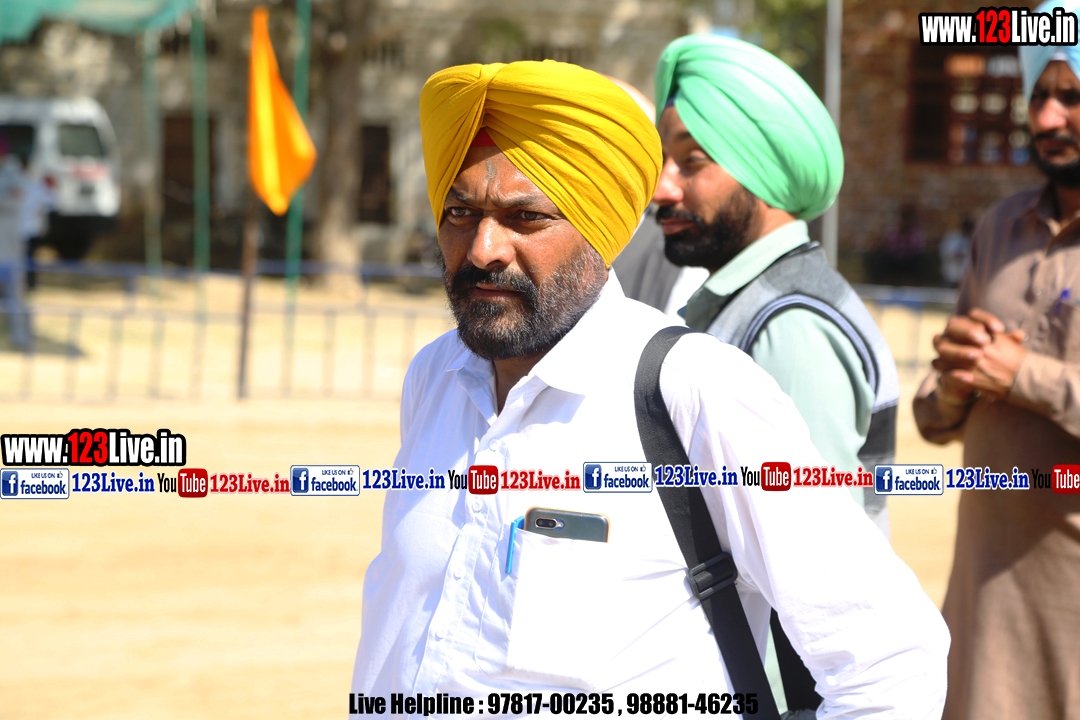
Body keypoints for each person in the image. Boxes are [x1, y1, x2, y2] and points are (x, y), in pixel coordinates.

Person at [351, 58, 948, 717]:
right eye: (460, 211)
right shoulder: (436, 377)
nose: (482, 247)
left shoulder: (693, 390)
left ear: (600, 229)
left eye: (525, 217)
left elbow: (891, 659)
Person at [652, 35, 898, 531]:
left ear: (760, 171)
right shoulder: (756, 303)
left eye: (692, 161)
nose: (661, 188)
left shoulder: (789, 327)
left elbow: (816, 545)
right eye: (662, 160)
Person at [914, 2, 1080, 716]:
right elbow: (932, 413)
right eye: (1038, 96)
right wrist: (954, 388)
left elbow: (1020, 376)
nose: (1046, 118)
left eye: (1070, 97)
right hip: (986, 591)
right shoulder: (1001, 226)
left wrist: (1026, 377)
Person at [938, 217, 973, 287]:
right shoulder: (952, 237)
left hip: (965, 277)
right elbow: (943, 252)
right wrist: (954, 255)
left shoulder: (972, 240)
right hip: (950, 274)